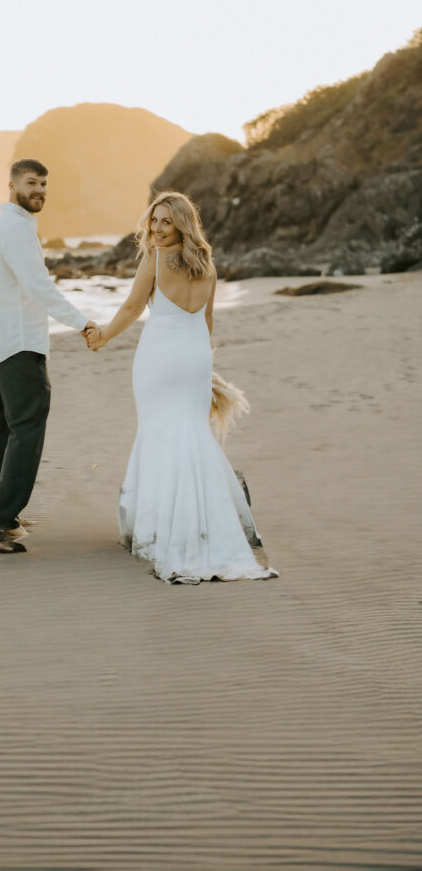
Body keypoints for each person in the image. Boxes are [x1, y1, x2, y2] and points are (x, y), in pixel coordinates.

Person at [84, 191, 278, 585]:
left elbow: (131, 308)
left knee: (159, 433)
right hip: (194, 358)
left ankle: (161, 533)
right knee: (192, 434)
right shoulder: (206, 264)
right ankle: (204, 527)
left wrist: (102, 337)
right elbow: (207, 321)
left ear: (181, 225)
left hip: (160, 358)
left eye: (166, 222)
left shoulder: (155, 260)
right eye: (153, 221)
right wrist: (204, 369)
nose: (156, 229)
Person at [0, 159, 97, 554]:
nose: (39, 189)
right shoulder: (17, 229)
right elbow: (39, 287)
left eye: (43, 183)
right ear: (11, 185)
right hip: (18, 345)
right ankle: (2, 524)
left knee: (0, 433)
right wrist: (82, 323)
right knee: (27, 429)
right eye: (31, 182)